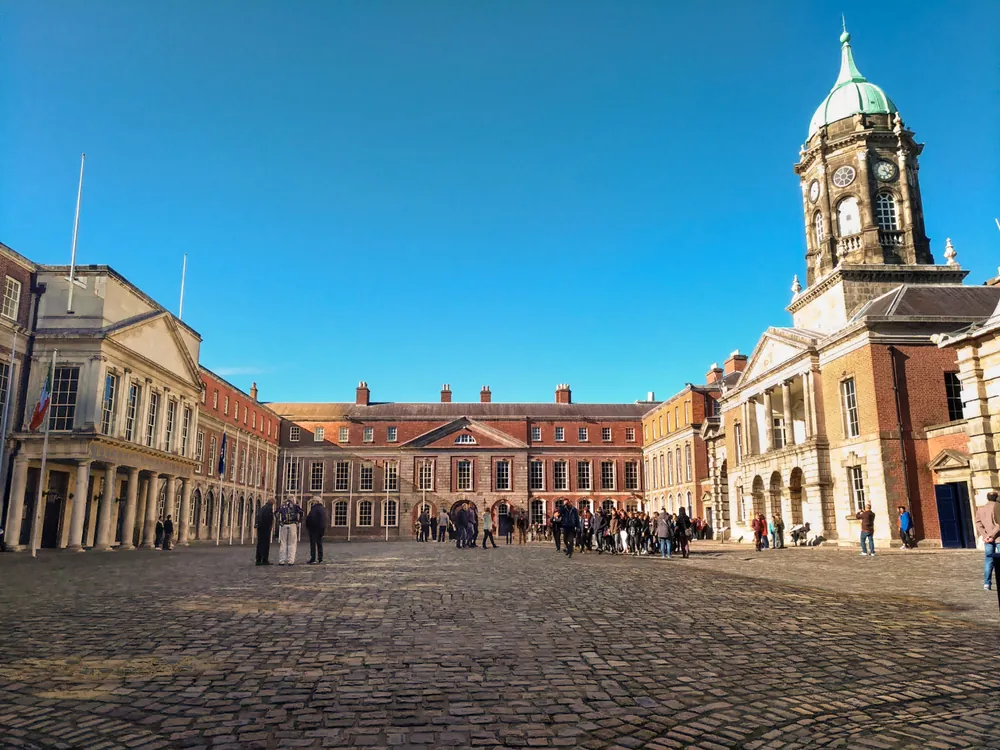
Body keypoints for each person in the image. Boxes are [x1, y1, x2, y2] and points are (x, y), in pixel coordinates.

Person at [974, 491, 1000, 590]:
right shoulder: (997, 507)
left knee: (988, 560)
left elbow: (978, 524)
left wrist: (985, 536)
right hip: (998, 537)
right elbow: (999, 525)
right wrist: (991, 535)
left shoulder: (980, 509)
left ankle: (987, 583)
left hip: (987, 539)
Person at [276, 496, 304, 565]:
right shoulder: (295, 506)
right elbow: (302, 513)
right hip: (292, 524)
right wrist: (299, 521)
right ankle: (290, 560)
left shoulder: (282, 506)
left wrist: (279, 522)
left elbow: (276, 513)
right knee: (292, 543)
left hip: (284, 524)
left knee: (283, 543)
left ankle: (281, 560)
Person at [305, 499, 328, 564]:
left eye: (314, 501)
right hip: (321, 529)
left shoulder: (314, 509)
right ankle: (320, 558)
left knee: (313, 544)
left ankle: (313, 558)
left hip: (313, 529)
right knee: (319, 543)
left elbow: (310, 518)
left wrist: (308, 526)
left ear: (316, 502)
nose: (313, 502)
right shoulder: (323, 509)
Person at [255, 498, 274, 565]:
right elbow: (269, 519)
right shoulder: (269, 509)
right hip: (265, 529)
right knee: (265, 544)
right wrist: (270, 527)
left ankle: (258, 559)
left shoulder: (262, 508)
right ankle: (264, 559)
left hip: (260, 528)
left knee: (260, 544)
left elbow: (258, 517)